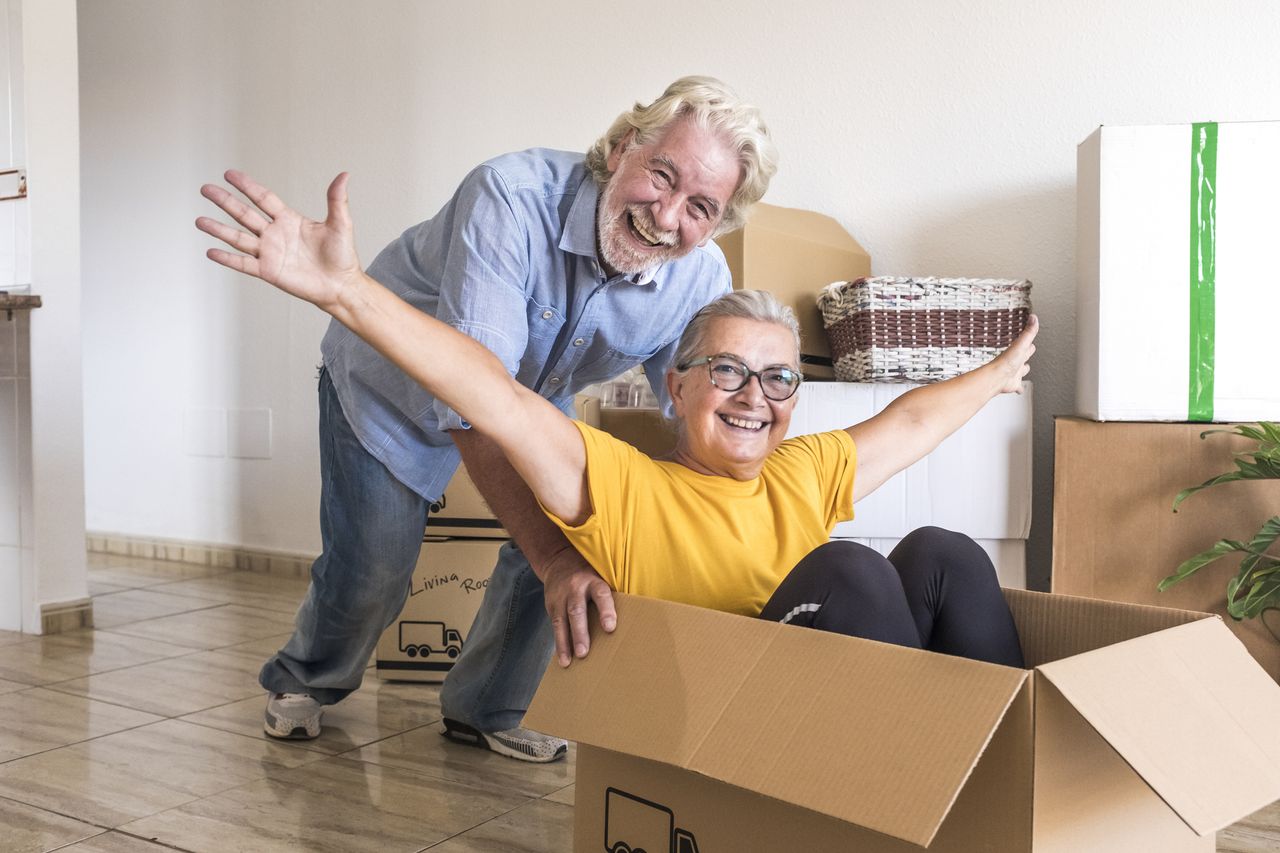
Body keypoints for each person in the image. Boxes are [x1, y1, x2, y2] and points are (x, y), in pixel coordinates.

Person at [198, 175, 1039, 711]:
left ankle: (1001, 778)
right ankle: (911, 788)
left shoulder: (805, 468)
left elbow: (915, 420)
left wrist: (1000, 375)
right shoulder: (624, 484)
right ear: (674, 385)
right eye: (729, 371)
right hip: (728, 712)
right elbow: (490, 394)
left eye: (779, 378)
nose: (757, 397)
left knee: (944, 553)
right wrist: (346, 291)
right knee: (851, 567)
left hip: (825, 689)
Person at [196, 76, 778, 762]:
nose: (667, 214)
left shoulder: (698, 276)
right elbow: (473, 403)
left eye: (700, 206)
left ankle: (485, 704)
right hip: (388, 388)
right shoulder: (510, 197)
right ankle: (306, 677)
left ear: (717, 222)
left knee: (596, 520)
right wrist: (554, 559)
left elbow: (692, 415)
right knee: (376, 571)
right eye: (661, 175)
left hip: (526, 402)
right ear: (623, 146)